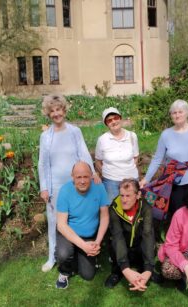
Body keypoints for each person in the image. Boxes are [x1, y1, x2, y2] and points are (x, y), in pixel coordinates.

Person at [38, 94, 101, 273]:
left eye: (59, 109)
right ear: (48, 114)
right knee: (54, 221)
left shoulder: (75, 132)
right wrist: (44, 188)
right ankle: (52, 257)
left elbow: (83, 154)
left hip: (76, 185)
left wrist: (93, 173)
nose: (56, 113)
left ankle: (83, 252)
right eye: (52, 111)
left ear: (64, 110)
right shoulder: (45, 136)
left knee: (78, 216)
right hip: (55, 187)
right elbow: (42, 163)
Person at [140, 100, 188, 220]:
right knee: (179, 216)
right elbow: (157, 159)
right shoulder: (166, 135)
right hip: (175, 183)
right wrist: (146, 179)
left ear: (187, 113)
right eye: (174, 113)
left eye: (180, 112)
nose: (177, 115)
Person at [55, 161, 109, 289]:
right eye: (79, 177)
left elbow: (105, 216)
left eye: (86, 176)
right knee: (63, 253)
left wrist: (97, 242)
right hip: (69, 233)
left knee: (88, 275)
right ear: (72, 177)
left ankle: (79, 256)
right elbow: (61, 225)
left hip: (89, 236)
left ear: (91, 175)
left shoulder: (99, 188)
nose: (83, 181)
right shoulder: (65, 191)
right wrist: (84, 246)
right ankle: (65, 271)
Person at [105, 179, 155, 291]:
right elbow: (118, 237)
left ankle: (146, 270)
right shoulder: (114, 208)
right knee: (114, 242)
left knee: (149, 241)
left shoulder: (146, 208)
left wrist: (148, 268)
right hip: (122, 244)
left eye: (128, 196)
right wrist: (125, 268)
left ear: (138, 195)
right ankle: (117, 272)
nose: (124, 200)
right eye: (122, 195)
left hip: (138, 244)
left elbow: (148, 235)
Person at [95, 107, 139, 203]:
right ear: (106, 124)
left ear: (120, 118)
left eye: (115, 118)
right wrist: (107, 172)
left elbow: (135, 157)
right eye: (109, 120)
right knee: (114, 210)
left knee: (132, 209)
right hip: (111, 181)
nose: (113, 122)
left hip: (131, 180)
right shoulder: (102, 139)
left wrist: (128, 171)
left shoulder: (132, 136)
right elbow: (98, 161)